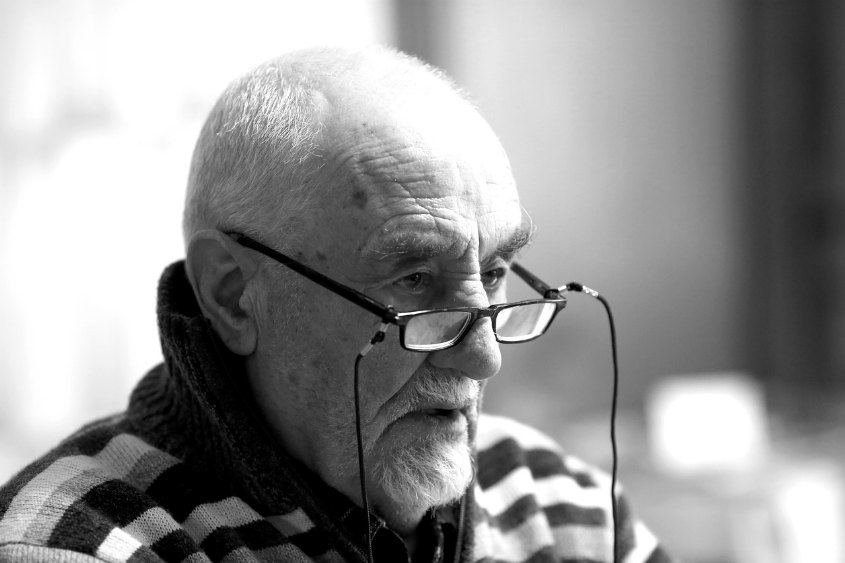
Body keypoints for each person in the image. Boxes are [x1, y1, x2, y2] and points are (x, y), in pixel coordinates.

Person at [0, 46, 672, 562]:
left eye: (493, 272)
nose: (484, 356)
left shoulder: (566, 507)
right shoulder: (77, 540)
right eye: (414, 278)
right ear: (233, 295)